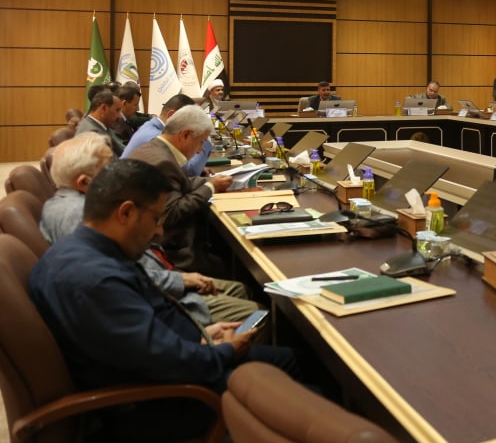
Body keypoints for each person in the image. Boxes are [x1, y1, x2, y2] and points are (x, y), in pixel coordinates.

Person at [28, 159, 301, 442]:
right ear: (126, 212)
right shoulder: (94, 280)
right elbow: (165, 362)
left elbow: (138, 340)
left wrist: (203, 334)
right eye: (156, 219)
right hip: (164, 401)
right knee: (304, 377)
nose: (159, 231)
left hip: (170, 367)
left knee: (292, 359)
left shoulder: (83, 251)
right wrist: (225, 352)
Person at [41, 134, 259, 325]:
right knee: (255, 311)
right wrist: (178, 281)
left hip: (157, 276)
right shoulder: (77, 215)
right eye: (108, 169)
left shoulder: (73, 203)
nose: (118, 173)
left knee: (241, 290)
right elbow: (117, 277)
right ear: (83, 182)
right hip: (158, 300)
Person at [125, 105, 233, 274]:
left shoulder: (154, 147)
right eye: (200, 142)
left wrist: (209, 181)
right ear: (185, 135)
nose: (200, 149)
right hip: (170, 251)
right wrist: (210, 187)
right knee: (230, 264)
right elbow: (173, 212)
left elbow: (177, 182)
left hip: (149, 242)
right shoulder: (163, 162)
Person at [124, 93, 212, 177]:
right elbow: (190, 171)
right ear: (171, 115)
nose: (191, 128)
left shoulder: (151, 126)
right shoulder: (155, 137)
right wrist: (204, 137)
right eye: (190, 122)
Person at [76, 89, 125, 157]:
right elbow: (113, 162)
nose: (120, 116)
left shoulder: (97, 125)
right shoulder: (94, 134)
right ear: (104, 108)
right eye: (117, 110)